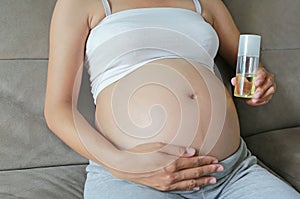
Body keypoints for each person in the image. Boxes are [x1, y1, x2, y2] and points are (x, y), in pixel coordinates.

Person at [44, 0, 299, 198]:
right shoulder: (80, 3)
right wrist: (124, 164)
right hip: (136, 178)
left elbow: (250, 70)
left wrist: (261, 82)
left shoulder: (205, 2)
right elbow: (58, 109)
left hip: (231, 173)